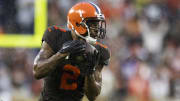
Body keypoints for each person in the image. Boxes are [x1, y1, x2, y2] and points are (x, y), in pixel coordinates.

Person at [33, 2, 110, 101]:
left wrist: (89, 72)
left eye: (97, 24)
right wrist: (62, 54)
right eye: (92, 24)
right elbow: (37, 71)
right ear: (78, 23)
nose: (97, 29)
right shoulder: (56, 36)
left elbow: (92, 96)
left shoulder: (99, 51)